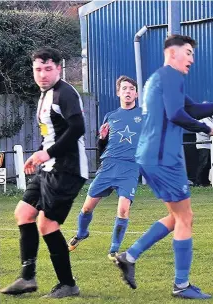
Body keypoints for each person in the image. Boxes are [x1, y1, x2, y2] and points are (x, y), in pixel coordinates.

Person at [114, 34, 213, 299]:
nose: (192, 59)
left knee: (177, 216)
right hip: (163, 158)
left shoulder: (159, 79)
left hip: (155, 156)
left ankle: (130, 255)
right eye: (188, 52)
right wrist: (208, 129)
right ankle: (181, 285)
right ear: (172, 54)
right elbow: (176, 115)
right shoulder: (171, 76)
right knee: (185, 218)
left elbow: (191, 108)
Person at [0, 47, 88, 298]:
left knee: (46, 223)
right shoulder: (45, 95)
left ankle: (68, 284)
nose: (43, 74)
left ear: (58, 69)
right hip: (49, 167)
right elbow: (51, 134)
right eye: (38, 69)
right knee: (24, 213)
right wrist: (38, 154)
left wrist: (47, 154)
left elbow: (77, 128)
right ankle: (27, 278)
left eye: (48, 69)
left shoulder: (65, 93)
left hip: (67, 168)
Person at [67, 76, 142, 261]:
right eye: (124, 88)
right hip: (108, 165)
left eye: (131, 89)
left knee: (124, 209)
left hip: (130, 168)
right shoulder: (111, 116)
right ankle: (81, 233)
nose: (128, 91)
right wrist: (101, 138)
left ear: (136, 94)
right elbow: (102, 146)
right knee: (86, 208)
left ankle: (114, 250)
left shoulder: (145, 116)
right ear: (118, 93)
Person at [195, 109, 213, 187]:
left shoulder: (212, 118)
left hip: (212, 145)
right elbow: (199, 130)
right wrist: (210, 133)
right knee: (203, 164)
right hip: (203, 145)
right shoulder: (200, 118)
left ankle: (206, 181)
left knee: (209, 164)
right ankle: (198, 182)